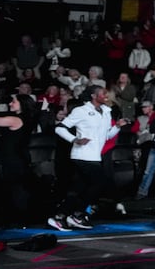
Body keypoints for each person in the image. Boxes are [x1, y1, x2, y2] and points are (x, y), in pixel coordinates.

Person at [48, 86, 123, 231]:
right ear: (94, 96)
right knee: (99, 182)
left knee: (79, 187)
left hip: (95, 156)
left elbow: (106, 136)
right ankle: (77, 214)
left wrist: (118, 127)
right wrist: (74, 139)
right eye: (103, 93)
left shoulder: (107, 112)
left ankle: (60, 216)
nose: (106, 95)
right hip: (82, 155)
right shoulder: (80, 111)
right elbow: (60, 128)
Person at [0, 92, 39, 227]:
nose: (10, 104)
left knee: (14, 190)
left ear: (22, 104)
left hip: (12, 160)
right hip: (17, 158)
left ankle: (17, 220)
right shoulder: (25, 118)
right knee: (8, 189)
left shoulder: (15, 119)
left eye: (13, 102)